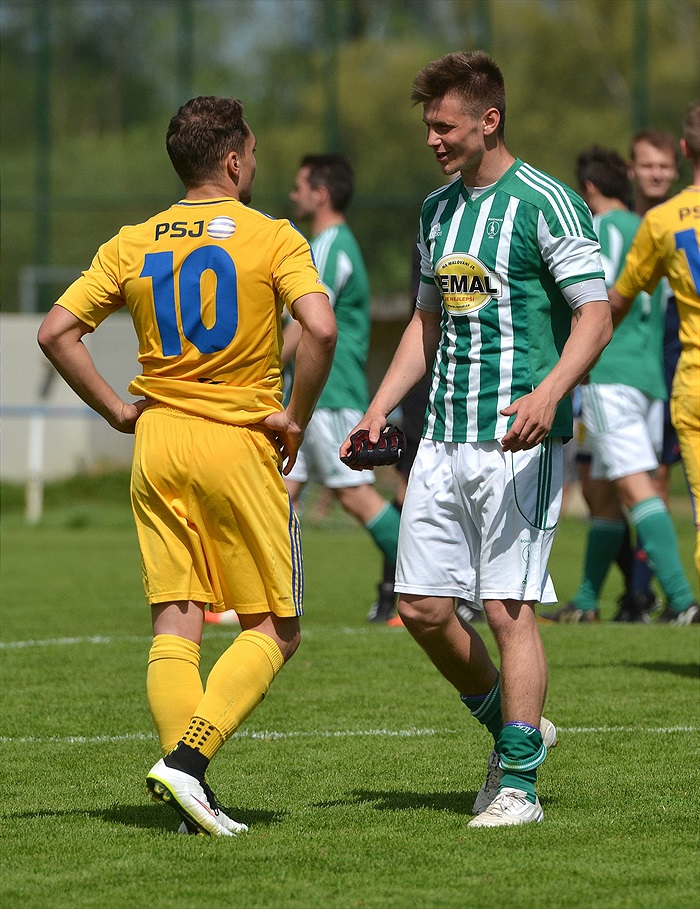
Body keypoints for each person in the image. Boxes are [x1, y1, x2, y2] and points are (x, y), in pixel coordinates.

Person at [36, 96, 337, 836]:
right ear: (234, 160)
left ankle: (184, 799)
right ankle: (189, 763)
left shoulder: (131, 241)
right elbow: (321, 326)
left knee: (177, 620)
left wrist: (114, 407)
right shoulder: (272, 236)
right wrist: (293, 414)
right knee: (278, 627)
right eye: (255, 154)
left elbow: (55, 331)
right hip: (236, 440)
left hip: (158, 441)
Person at [341, 51, 612, 827]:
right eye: (428, 125)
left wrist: (550, 393)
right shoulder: (435, 211)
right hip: (440, 441)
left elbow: (593, 315)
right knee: (422, 607)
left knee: (507, 608)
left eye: (444, 124)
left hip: (515, 443)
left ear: (488, 120)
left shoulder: (546, 202)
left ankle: (519, 787)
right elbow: (427, 323)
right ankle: (516, 730)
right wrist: (379, 407)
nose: (432, 138)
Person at [540, 146, 691, 624]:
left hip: (609, 374)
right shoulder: (649, 228)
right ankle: (586, 601)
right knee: (603, 489)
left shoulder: (600, 228)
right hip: (649, 377)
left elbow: (595, 298)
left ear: (586, 189)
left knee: (631, 484)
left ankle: (684, 601)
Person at [284, 154, 401, 623]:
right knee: (279, 492)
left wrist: (264, 364)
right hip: (315, 393)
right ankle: (253, 599)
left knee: (356, 497)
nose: (294, 194)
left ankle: (442, 587)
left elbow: (314, 324)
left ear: (321, 193)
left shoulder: (331, 244)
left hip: (330, 391)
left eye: (300, 186)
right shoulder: (327, 242)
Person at [609, 101, 700, 617]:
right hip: (650, 368)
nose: (657, 173)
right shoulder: (630, 224)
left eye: (664, 163)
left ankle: (665, 595)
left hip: (680, 367)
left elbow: (614, 302)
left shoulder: (661, 224)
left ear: (683, 154)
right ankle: (641, 591)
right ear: (631, 169)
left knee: (648, 480)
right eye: (648, 165)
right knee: (625, 484)